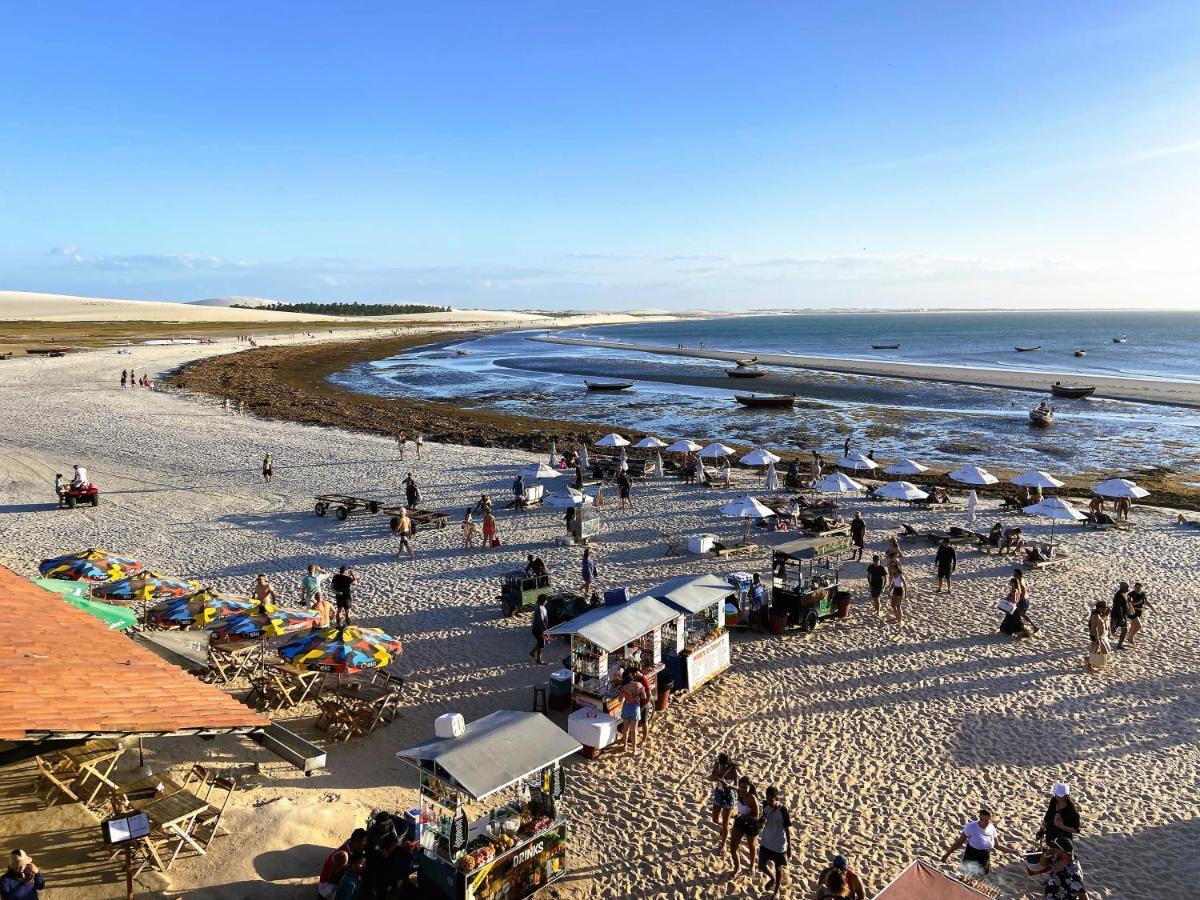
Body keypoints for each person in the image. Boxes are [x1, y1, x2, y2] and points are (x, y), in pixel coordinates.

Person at [940, 807, 1020, 875]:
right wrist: (947, 854)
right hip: (972, 854)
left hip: (985, 857)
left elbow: (997, 846)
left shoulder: (992, 829)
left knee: (981, 877)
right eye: (981, 819)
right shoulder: (971, 827)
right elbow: (959, 842)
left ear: (991, 820)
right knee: (966, 876)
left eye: (987, 821)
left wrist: (1013, 851)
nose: (983, 823)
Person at [758, 786, 791, 898]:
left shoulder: (783, 810)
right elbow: (763, 820)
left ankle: (776, 891)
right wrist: (761, 821)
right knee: (761, 865)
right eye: (767, 799)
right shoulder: (765, 805)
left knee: (778, 868)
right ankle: (772, 878)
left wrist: (789, 847)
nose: (769, 802)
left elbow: (787, 829)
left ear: (776, 798)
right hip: (766, 841)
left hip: (778, 845)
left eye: (771, 800)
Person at [318, 829, 367, 899]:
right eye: (362, 845)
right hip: (326, 887)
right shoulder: (343, 856)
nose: (363, 848)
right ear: (356, 842)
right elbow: (331, 879)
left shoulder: (350, 842)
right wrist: (349, 867)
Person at [729, 777, 761, 879]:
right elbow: (732, 787)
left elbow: (756, 816)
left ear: (750, 787)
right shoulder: (739, 792)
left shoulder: (752, 798)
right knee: (733, 847)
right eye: (741, 786)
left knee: (751, 846)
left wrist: (742, 817)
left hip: (751, 824)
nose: (742, 789)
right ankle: (738, 868)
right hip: (740, 822)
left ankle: (752, 866)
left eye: (745, 787)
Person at [709, 753, 740, 853]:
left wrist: (728, 785)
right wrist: (716, 779)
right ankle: (731, 824)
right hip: (718, 793)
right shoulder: (717, 765)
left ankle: (723, 845)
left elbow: (737, 787)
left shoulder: (733, 770)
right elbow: (712, 776)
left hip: (729, 795)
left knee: (725, 823)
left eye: (724, 765)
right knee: (715, 819)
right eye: (721, 764)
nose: (722, 766)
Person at [1038, 783, 1082, 848]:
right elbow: (1048, 816)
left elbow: (1075, 830)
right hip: (1050, 835)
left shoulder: (1072, 811)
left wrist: (1061, 826)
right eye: (1057, 795)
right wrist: (1041, 829)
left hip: (1063, 840)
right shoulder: (1054, 801)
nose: (1058, 797)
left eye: (1060, 796)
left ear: (1066, 796)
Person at [617, 670, 646, 754]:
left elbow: (620, 700)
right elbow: (644, 696)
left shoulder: (624, 687)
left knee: (625, 729)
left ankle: (625, 746)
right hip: (635, 708)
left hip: (626, 707)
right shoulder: (639, 685)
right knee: (634, 730)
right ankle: (634, 749)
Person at [1084, 599, 1110, 673]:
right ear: (1099, 608)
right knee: (1095, 650)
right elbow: (1093, 628)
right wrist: (1096, 638)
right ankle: (1089, 666)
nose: (1105, 609)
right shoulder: (1096, 616)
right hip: (1095, 636)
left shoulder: (1099, 614)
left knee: (1102, 650)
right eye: (1104, 607)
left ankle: (1088, 659)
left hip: (1099, 636)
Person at [1126, 582, 1153, 647]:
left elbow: (1146, 602)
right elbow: (1129, 604)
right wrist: (1138, 603)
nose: (1137, 589)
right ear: (1134, 587)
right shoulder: (1130, 594)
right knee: (1139, 626)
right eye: (1136, 587)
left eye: (1139, 588)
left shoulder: (1142, 593)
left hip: (1139, 611)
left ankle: (1130, 638)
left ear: (1141, 588)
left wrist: (1152, 608)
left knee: (1133, 625)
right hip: (1132, 611)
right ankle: (1130, 637)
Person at [1110, 582, 1131, 649]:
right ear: (1122, 588)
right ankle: (1101, 643)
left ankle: (1119, 645)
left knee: (1124, 630)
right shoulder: (1118, 595)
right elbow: (1118, 607)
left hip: (1123, 615)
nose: (1128, 588)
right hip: (1116, 615)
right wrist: (1121, 617)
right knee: (1112, 630)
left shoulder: (1125, 594)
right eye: (1126, 587)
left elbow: (1126, 604)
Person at [529, 596, 549, 664]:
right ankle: (538, 660)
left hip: (537, 628)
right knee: (541, 645)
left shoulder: (539, 605)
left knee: (540, 641)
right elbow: (541, 621)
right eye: (546, 600)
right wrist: (545, 631)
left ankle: (532, 652)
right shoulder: (540, 609)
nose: (547, 601)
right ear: (544, 601)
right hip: (539, 630)